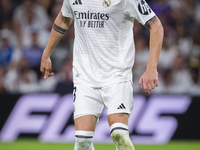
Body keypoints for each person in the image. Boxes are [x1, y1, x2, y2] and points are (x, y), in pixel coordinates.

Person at [40, 0, 164, 149]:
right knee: (82, 141)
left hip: (117, 74)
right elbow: (63, 18)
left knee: (119, 135)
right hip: (84, 76)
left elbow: (156, 25)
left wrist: (151, 68)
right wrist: (46, 54)